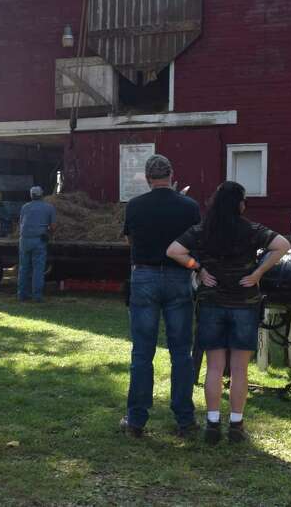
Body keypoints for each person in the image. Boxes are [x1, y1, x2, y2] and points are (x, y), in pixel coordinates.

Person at [166, 181, 290, 443]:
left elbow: (174, 251)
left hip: (212, 302)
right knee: (240, 369)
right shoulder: (252, 230)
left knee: (214, 367)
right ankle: (236, 424)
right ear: (240, 204)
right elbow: (282, 245)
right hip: (245, 302)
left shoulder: (202, 230)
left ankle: (212, 423)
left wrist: (197, 268)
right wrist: (257, 273)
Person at [120, 154, 200, 438]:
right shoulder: (190, 206)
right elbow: (195, 244)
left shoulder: (135, 206)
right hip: (178, 277)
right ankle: (185, 419)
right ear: (171, 174)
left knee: (142, 352)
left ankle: (136, 420)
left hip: (144, 276)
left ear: (147, 177)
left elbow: (131, 241)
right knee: (181, 352)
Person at [17, 185, 55, 302]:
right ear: (42, 195)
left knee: (24, 268)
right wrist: (48, 232)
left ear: (31, 195)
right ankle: (37, 296)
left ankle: (22, 295)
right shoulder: (49, 207)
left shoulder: (25, 207)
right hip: (39, 240)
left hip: (24, 240)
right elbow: (53, 226)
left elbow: (21, 223)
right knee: (38, 269)